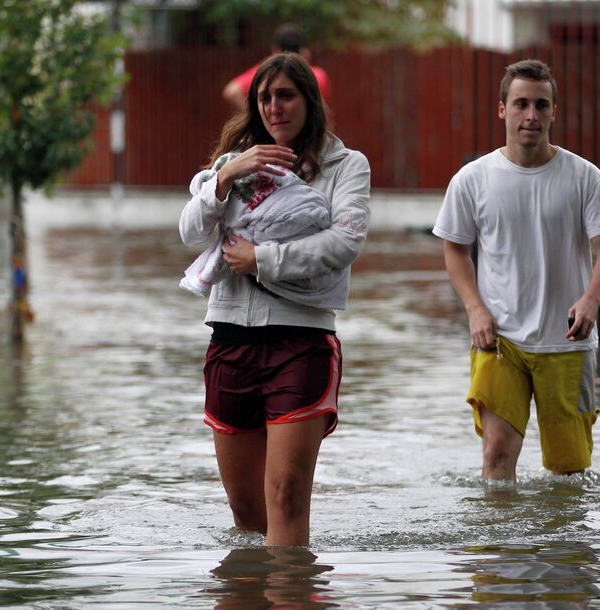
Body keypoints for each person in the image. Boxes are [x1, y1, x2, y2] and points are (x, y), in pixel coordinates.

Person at [180, 53, 370, 546]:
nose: (273, 107)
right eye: (264, 97)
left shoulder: (345, 165)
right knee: (246, 511)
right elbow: (188, 231)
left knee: (285, 496)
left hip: (301, 341)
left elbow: (345, 242)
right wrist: (224, 178)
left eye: (285, 95)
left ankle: (290, 593)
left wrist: (263, 258)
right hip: (229, 339)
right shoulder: (236, 160)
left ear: (309, 100)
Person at [432, 59, 600, 482]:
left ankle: (564, 545)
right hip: (500, 339)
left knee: (569, 471)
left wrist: (591, 300)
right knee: (497, 455)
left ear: (555, 110)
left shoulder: (585, 178)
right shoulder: (472, 179)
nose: (531, 116)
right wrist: (474, 309)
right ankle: (502, 546)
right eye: (521, 104)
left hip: (568, 342)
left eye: (541, 105)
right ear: (502, 109)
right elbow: (455, 250)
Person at [222, 23, 331, 112]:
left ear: (275, 50)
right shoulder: (318, 76)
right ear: (304, 51)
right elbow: (324, 115)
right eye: (266, 99)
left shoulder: (267, 72)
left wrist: (253, 118)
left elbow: (232, 91)